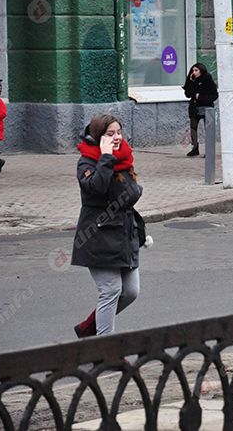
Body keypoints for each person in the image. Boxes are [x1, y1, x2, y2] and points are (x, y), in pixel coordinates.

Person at [72, 114, 144, 337]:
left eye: (119, 133)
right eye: (110, 134)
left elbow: (131, 192)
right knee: (111, 290)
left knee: (130, 292)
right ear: (97, 137)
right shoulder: (87, 160)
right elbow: (97, 188)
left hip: (124, 235)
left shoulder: (124, 158)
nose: (116, 138)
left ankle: (88, 327)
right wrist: (105, 157)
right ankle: (105, 347)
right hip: (98, 236)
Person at [182, 63, 218, 157]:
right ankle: (195, 149)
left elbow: (214, 95)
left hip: (207, 107)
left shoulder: (207, 79)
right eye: (193, 70)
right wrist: (190, 82)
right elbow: (188, 94)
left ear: (201, 71)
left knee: (208, 129)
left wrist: (201, 97)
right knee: (193, 128)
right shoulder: (191, 80)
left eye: (196, 70)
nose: (194, 72)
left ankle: (209, 150)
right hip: (194, 107)